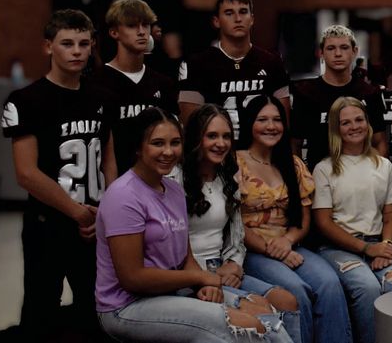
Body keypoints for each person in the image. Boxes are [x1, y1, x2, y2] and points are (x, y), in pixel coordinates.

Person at [95, 107, 294, 342]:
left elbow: (185, 257)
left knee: (266, 313)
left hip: (171, 292)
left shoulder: (174, 191)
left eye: (175, 143)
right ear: (139, 148)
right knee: (244, 326)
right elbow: (132, 277)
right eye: (158, 143)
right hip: (126, 306)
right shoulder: (123, 195)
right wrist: (200, 279)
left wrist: (203, 284)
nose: (168, 151)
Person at [1, 9, 111, 340]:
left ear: (92, 46)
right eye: (67, 44)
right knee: (40, 310)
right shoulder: (26, 100)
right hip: (48, 224)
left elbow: (110, 157)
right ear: (48, 47)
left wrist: (106, 208)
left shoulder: (100, 96)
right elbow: (26, 173)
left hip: (94, 223)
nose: (76, 51)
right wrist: (77, 212)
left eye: (83, 43)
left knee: (96, 309)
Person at [181, 103, 303, 343]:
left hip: (224, 269)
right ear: (196, 138)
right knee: (260, 316)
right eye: (212, 136)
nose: (221, 143)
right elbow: (173, 244)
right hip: (190, 276)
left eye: (226, 136)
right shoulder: (176, 179)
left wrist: (234, 264)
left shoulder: (228, 177)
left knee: (287, 300)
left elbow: (236, 235)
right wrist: (205, 278)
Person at [236, 95, 353, 343]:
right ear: (249, 123)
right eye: (263, 119)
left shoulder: (293, 163)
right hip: (251, 248)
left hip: (290, 244)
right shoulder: (235, 162)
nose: (271, 126)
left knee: (330, 283)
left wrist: (287, 242)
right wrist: (274, 249)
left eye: (277, 120)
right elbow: (233, 222)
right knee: (296, 290)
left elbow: (303, 218)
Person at [312, 97, 392, 343]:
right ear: (336, 129)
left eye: (359, 120)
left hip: (379, 242)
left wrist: (385, 247)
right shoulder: (324, 168)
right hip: (339, 248)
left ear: (368, 123)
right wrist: (366, 249)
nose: (354, 126)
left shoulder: (383, 165)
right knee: (366, 288)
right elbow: (324, 223)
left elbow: (390, 215)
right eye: (345, 123)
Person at [178, 0, 291, 136]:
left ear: (252, 19)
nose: (238, 18)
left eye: (243, 12)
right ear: (216, 21)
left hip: (261, 151)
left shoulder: (271, 62)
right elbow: (191, 127)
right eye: (229, 13)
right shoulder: (197, 64)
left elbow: (283, 121)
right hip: (218, 150)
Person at [91, 0, 180, 178]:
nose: (141, 32)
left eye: (145, 25)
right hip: (115, 181)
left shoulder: (163, 83)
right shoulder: (96, 82)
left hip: (157, 180)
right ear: (114, 32)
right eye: (132, 26)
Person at [291, 24, 388, 168]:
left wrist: (377, 176)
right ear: (321, 53)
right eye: (331, 48)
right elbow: (294, 145)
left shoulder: (369, 93)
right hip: (318, 178)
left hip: (362, 175)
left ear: (354, 51)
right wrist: (303, 182)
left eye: (344, 47)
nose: (338, 54)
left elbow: (379, 142)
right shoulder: (305, 93)